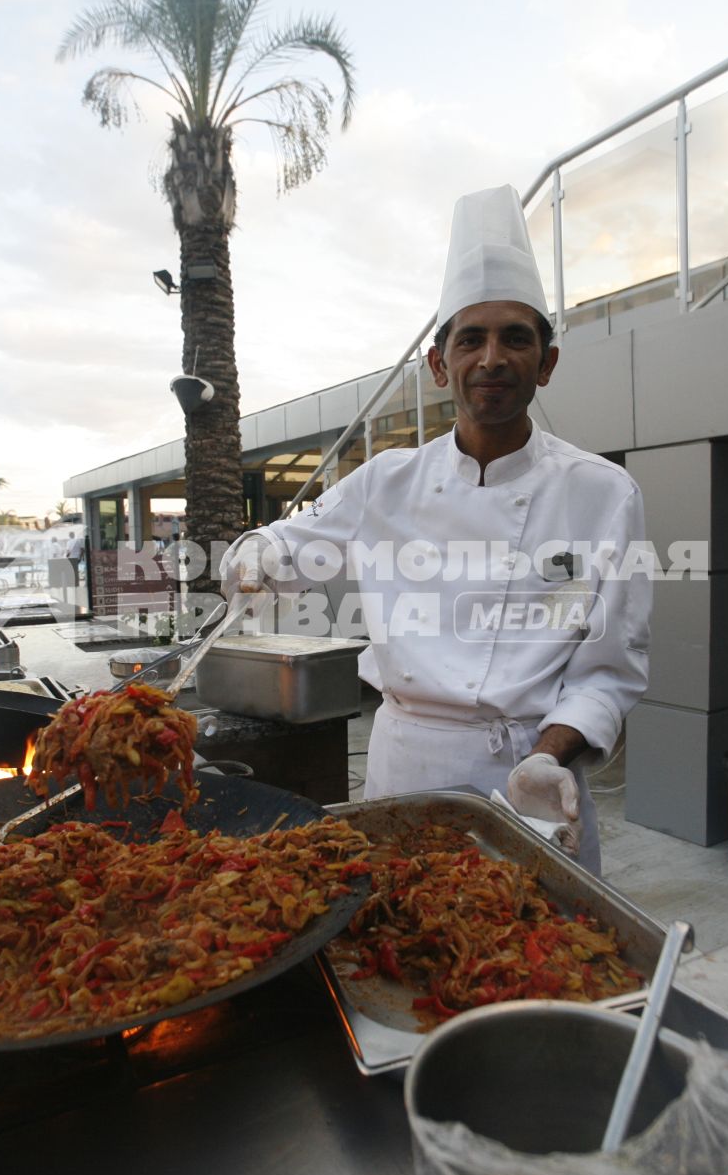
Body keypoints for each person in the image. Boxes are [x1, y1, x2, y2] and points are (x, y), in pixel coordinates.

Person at [219, 185, 652, 873]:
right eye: (470, 339)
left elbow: (610, 673)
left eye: (516, 338)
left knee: (535, 953)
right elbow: (281, 550)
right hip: (404, 769)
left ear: (546, 361)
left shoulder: (602, 494)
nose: (492, 359)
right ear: (438, 364)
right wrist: (255, 550)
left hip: (527, 780)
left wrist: (548, 757)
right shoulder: (385, 481)